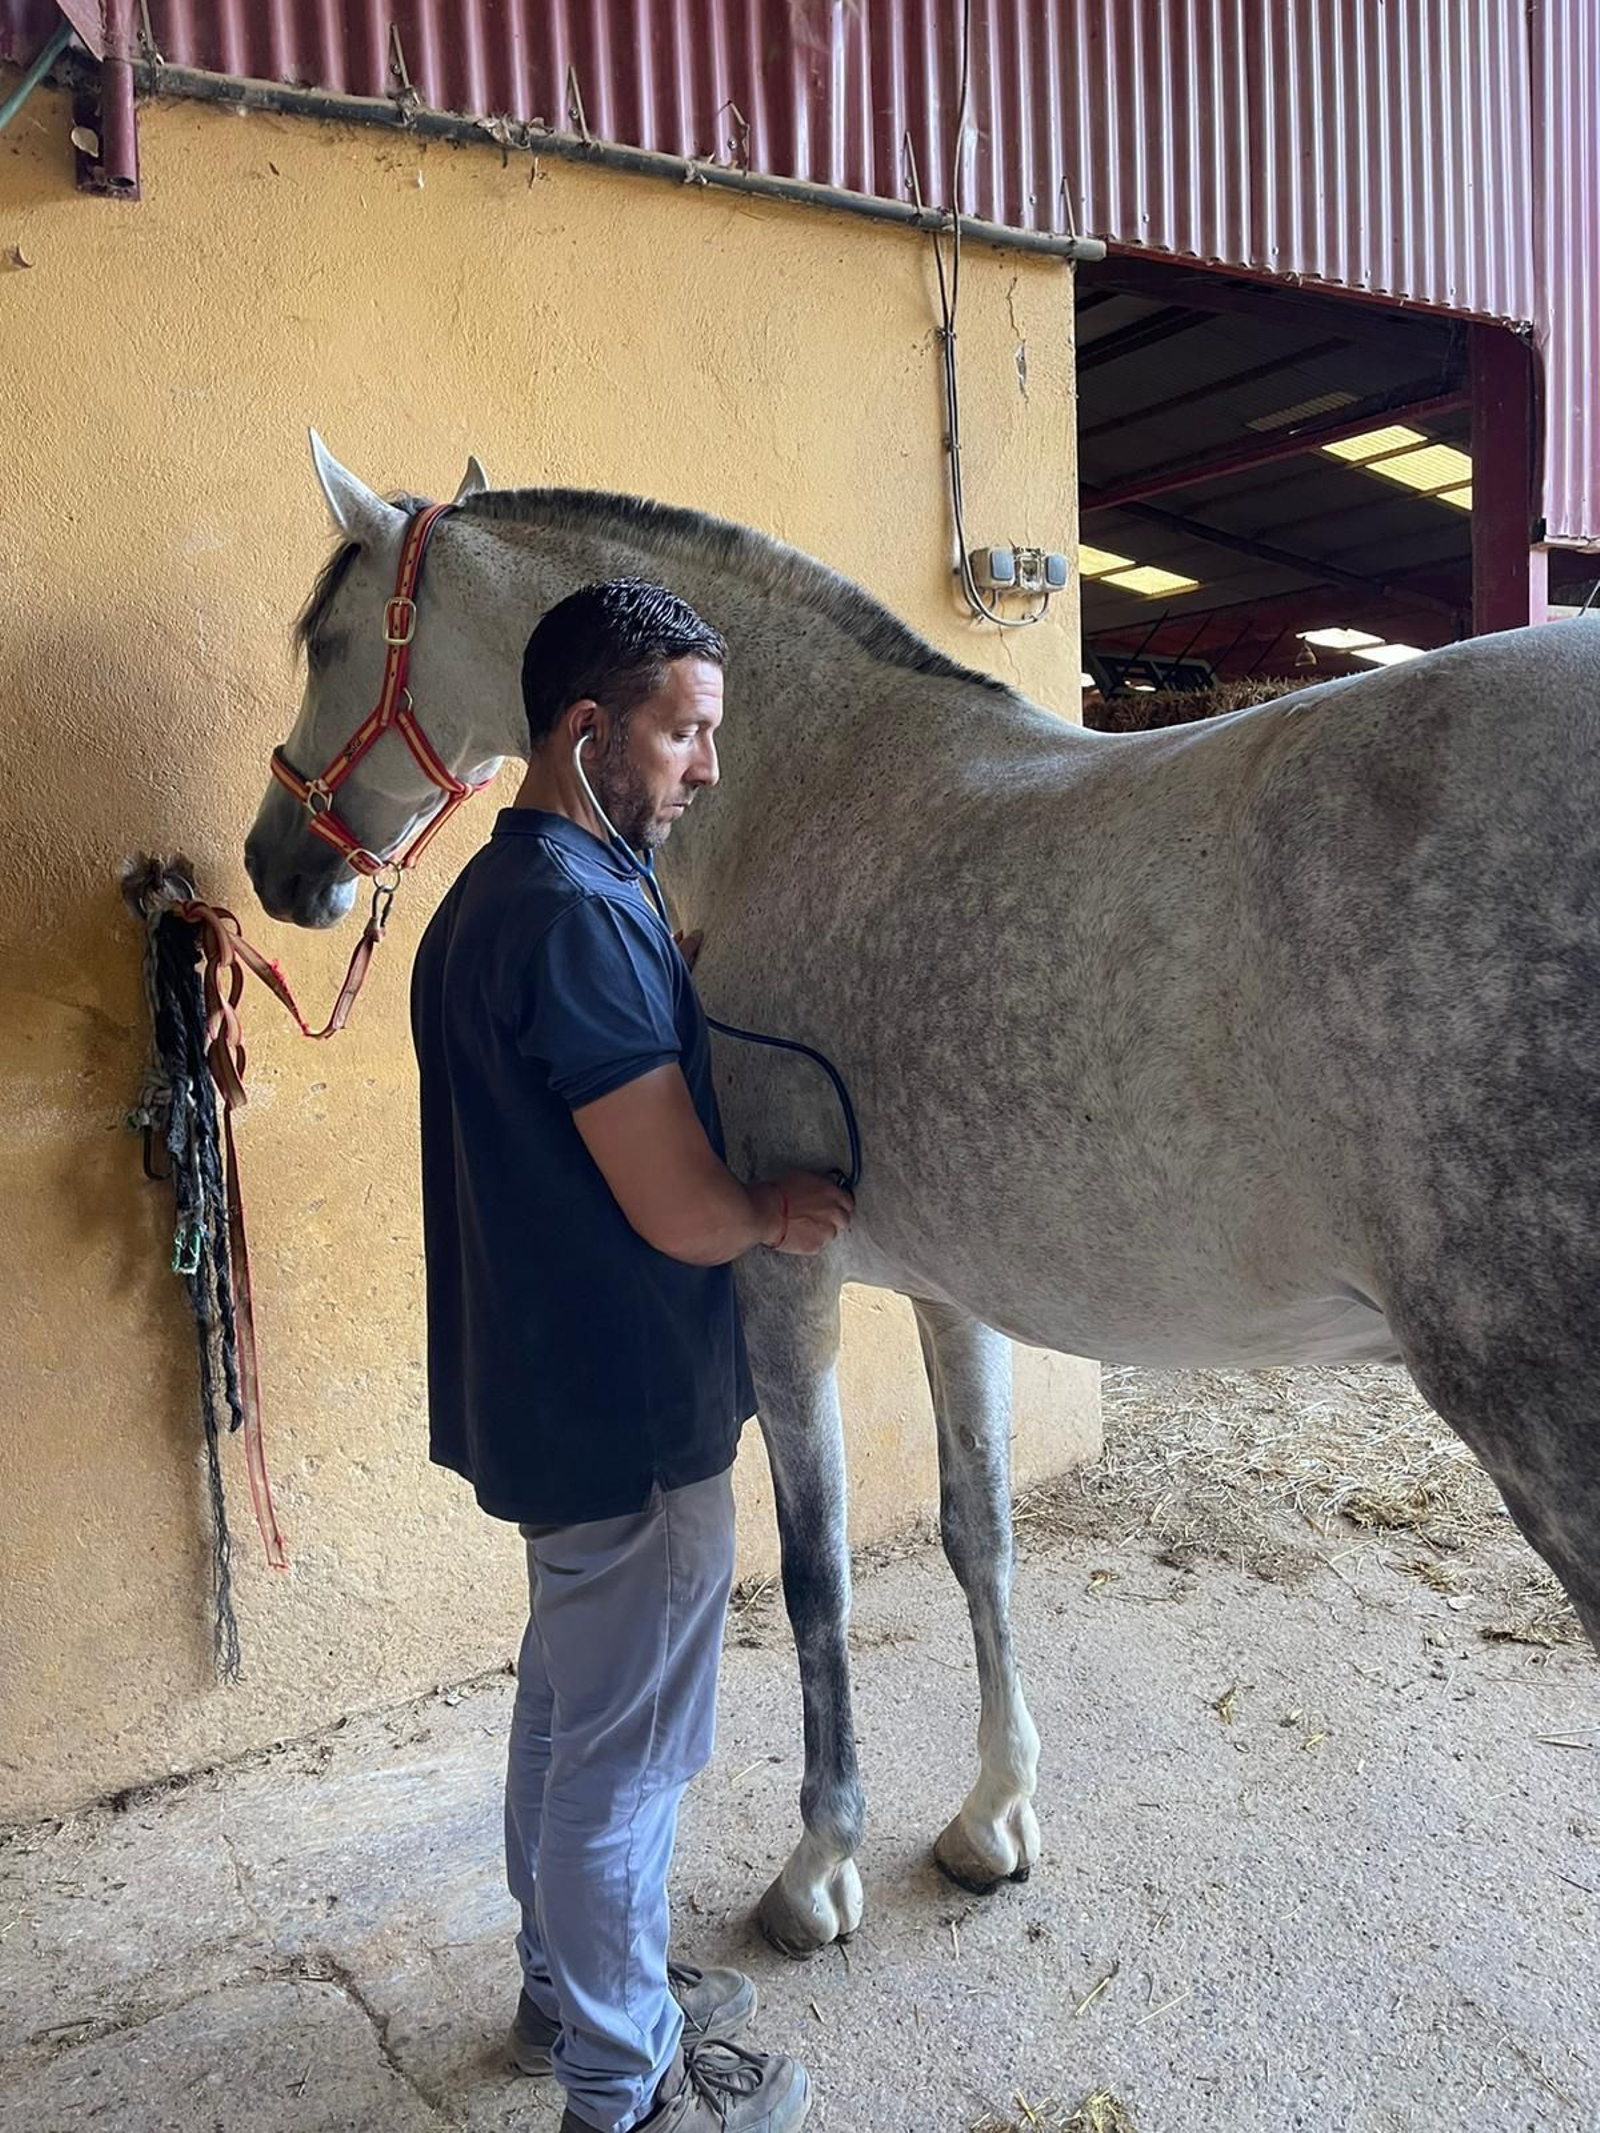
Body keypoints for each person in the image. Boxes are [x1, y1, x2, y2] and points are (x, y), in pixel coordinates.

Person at [409, 578, 852, 2133]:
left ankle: (569, 1993)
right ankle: (626, 2084)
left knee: (564, 1713)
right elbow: (674, 1205)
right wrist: (775, 1209)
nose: (706, 768)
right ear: (590, 729)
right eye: (686, 731)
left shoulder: (498, 890)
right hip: (631, 1413)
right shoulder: (583, 915)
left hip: (541, 1399)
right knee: (630, 1765)